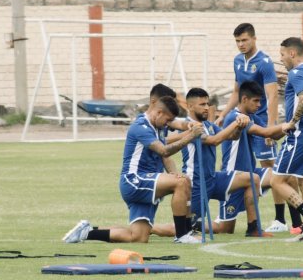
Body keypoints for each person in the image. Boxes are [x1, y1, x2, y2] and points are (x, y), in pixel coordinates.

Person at [62, 96, 204, 244]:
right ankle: (183, 235)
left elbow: (166, 155)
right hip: (134, 180)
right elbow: (164, 151)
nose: (169, 124)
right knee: (182, 182)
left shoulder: (158, 126)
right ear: (159, 112)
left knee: (138, 238)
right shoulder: (140, 127)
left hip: (146, 182)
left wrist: (174, 172)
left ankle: (87, 232)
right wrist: (190, 136)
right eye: (167, 120)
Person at [218, 23, 298, 234]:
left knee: (272, 170)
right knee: (247, 168)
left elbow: (272, 95)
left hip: (261, 123)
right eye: (237, 41)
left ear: (254, 39)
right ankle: (249, 216)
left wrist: (271, 127)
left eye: (244, 40)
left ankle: (281, 218)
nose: (241, 45)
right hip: (242, 123)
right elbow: (236, 92)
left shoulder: (264, 62)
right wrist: (223, 115)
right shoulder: (237, 61)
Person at [180, 87, 280, 237]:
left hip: (212, 178)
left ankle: (253, 228)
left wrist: (239, 127)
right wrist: (236, 122)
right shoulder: (189, 126)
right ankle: (152, 229)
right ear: (189, 106)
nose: (207, 107)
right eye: (202, 104)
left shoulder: (208, 125)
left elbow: (232, 136)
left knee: (252, 179)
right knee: (188, 228)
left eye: (207, 104)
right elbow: (214, 141)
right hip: (196, 183)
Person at [270, 37, 303, 242]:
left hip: (300, 136)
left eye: (282, 55)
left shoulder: (296, 73)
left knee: (277, 181)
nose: (281, 59)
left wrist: (292, 121)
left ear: (292, 53)